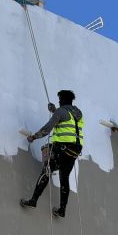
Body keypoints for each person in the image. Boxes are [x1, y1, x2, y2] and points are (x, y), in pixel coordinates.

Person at [20, 90, 84, 218]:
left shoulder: (61, 111)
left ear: (63, 100)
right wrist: (55, 111)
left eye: (60, 99)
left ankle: (33, 200)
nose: (59, 101)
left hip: (62, 148)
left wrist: (33, 137)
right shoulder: (78, 113)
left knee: (46, 172)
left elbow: (47, 129)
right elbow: (65, 118)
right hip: (74, 151)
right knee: (64, 178)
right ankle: (62, 210)